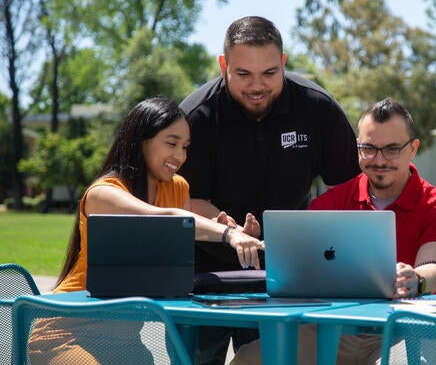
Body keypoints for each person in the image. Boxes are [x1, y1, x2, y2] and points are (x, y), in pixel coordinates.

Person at [178, 16, 361, 364]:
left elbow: (349, 191)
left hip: (286, 275)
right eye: (243, 74)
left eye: (269, 74)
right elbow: (184, 200)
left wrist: (315, 240)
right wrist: (226, 232)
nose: (257, 86)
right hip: (202, 275)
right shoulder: (195, 117)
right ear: (223, 65)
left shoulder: (317, 108)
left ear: (283, 63)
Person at [28, 97, 264, 365]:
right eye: (171, 143)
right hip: (66, 333)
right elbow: (165, 219)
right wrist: (228, 236)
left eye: (185, 147)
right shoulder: (104, 193)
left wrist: (232, 231)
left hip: (126, 340)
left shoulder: (178, 188)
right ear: (142, 140)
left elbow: (182, 241)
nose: (180, 156)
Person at [231, 98, 436, 364]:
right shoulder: (336, 200)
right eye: (369, 149)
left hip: (411, 331)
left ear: (413, 149)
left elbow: (434, 266)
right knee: (250, 358)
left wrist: (416, 279)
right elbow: (298, 259)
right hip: (337, 330)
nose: (379, 160)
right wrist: (259, 243)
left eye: (392, 149)